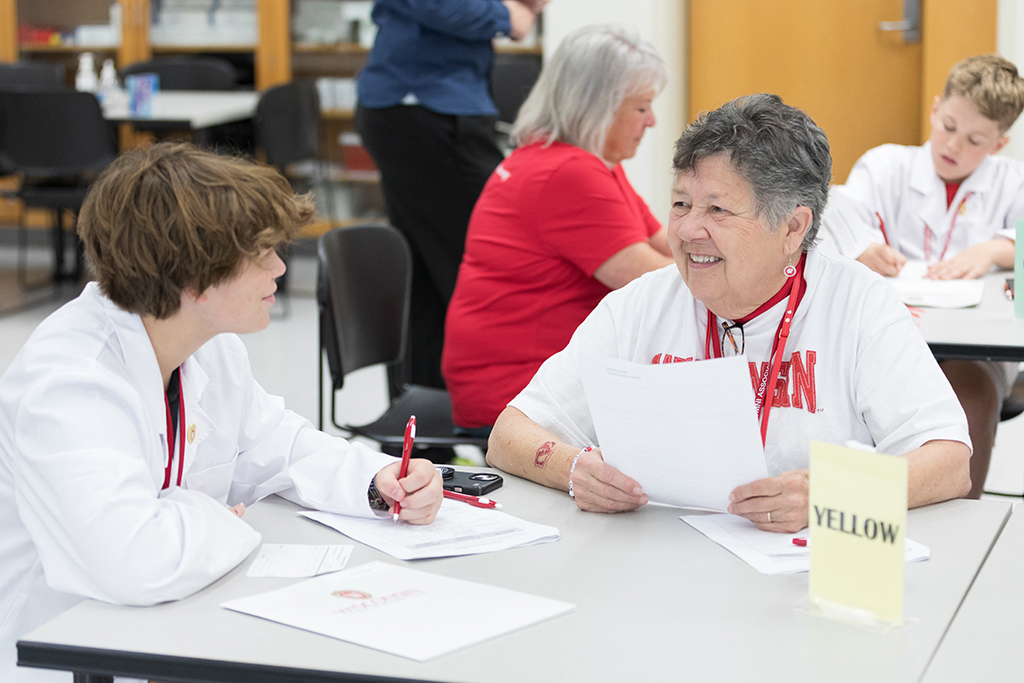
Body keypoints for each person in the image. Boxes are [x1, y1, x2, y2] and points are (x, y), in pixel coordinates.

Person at [0, 143, 443, 683]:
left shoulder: (206, 343)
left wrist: (377, 481)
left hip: (177, 623)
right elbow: (130, 561)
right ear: (193, 279)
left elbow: (275, 443)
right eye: (262, 254)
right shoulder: (71, 382)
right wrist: (219, 517)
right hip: (67, 652)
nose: (281, 267)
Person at [485, 94, 972, 528]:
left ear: (792, 228)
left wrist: (834, 495)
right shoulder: (641, 303)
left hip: (800, 585)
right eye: (680, 203)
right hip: (654, 574)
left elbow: (948, 461)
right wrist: (572, 468)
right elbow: (510, 433)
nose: (688, 230)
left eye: (717, 211)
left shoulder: (859, 304)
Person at [442, 25, 673, 433]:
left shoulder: (583, 164)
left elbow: (671, 248)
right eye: (641, 108)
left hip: (528, 376)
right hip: (519, 391)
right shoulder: (568, 174)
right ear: (597, 107)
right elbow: (656, 283)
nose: (651, 121)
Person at [820, 54, 1024, 499]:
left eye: (974, 139)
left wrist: (995, 248)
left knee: (968, 399)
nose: (953, 145)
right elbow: (843, 219)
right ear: (934, 109)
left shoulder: (1011, 183)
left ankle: (958, 521)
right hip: (893, 329)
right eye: (948, 126)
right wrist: (863, 250)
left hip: (976, 348)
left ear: (998, 144)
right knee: (866, 403)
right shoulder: (885, 166)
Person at [356, 0, 547, 392]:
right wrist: (504, 15)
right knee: (485, 263)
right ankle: (474, 415)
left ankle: (423, 419)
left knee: (427, 271)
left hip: (437, 105)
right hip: (422, 109)